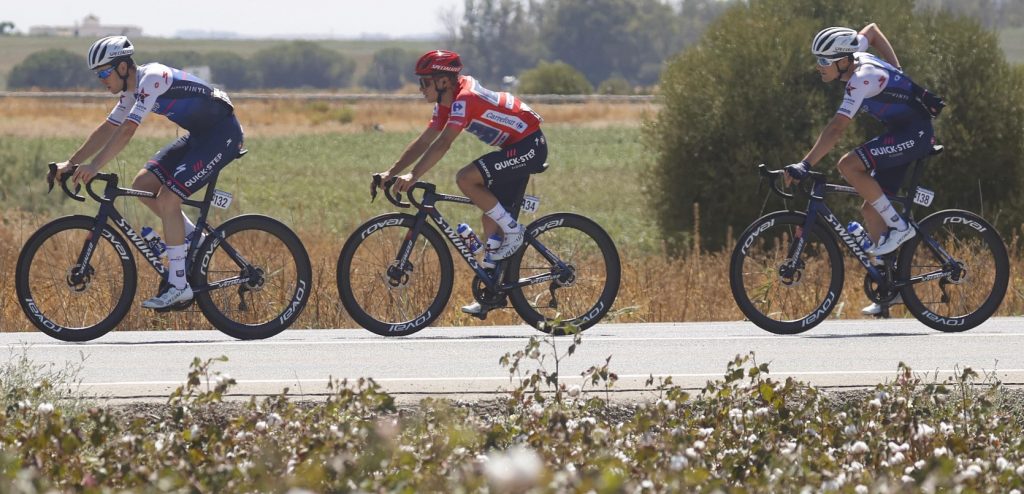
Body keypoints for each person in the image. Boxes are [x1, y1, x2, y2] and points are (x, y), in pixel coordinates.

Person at [55, 36, 244, 309]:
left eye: (104, 72)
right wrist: (71, 163)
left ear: (122, 67)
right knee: (143, 184)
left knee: (168, 199)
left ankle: (179, 285)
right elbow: (108, 128)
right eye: (98, 75)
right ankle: (194, 240)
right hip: (200, 135)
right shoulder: (131, 91)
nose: (101, 79)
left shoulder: (152, 78)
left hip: (223, 135)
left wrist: (95, 166)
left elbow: (128, 130)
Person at [785, 24, 942, 316]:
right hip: (902, 130)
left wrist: (805, 164)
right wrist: (898, 70)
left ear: (843, 60)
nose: (818, 66)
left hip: (915, 133)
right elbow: (871, 30)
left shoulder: (861, 80)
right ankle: (889, 293)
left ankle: (900, 227)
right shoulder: (854, 52)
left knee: (848, 164)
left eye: (823, 61)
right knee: (871, 211)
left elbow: (835, 130)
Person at [375, 50, 548, 315]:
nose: (420, 89)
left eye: (424, 82)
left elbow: (443, 143)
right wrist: (391, 172)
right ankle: (492, 293)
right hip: (514, 146)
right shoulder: (449, 99)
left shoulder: (465, 99)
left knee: (466, 178)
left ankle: (513, 231)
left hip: (528, 145)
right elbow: (425, 141)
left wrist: (414, 176)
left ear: (443, 81)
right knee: (490, 218)